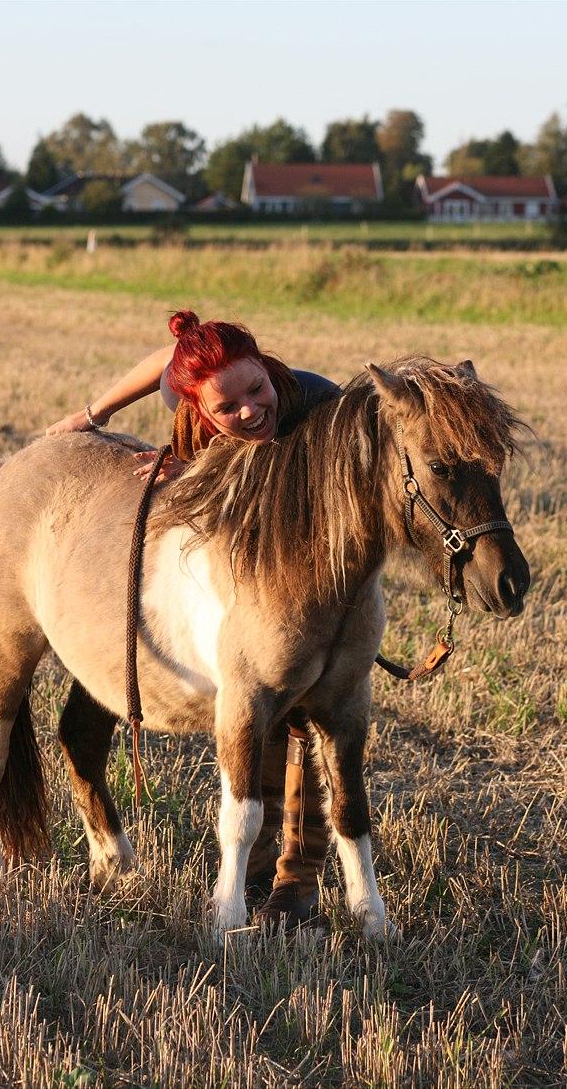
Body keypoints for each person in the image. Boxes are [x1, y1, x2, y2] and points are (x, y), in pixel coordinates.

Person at [47, 310, 339, 926]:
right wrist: (94, 419)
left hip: (317, 572)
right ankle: (261, 871)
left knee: (305, 718)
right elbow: (166, 360)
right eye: (226, 407)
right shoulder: (198, 426)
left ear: (265, 365)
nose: (251, 411)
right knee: (257, 707)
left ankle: (300, 876)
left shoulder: (316, 403)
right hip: (248, 574)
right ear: (196, 410)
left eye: (255, 388)